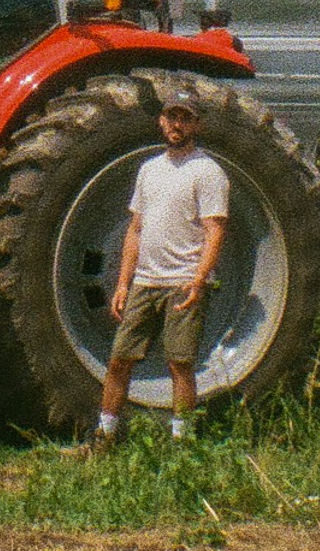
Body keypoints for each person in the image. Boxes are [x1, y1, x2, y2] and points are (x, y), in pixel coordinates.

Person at [95, 89, 229, 444]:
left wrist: (199, 280)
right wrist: (123, 283)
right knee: (120, 359)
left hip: (183, 280)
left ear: (196, 125)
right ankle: (104, 435)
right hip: (145, 280)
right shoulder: (149, 170)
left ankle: (181, 441)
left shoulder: (207, 171)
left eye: (185, 118)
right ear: (161, 121)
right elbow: (135, 229)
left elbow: (215, 230)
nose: (177, 124)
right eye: (172, 117)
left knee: (180, 363)